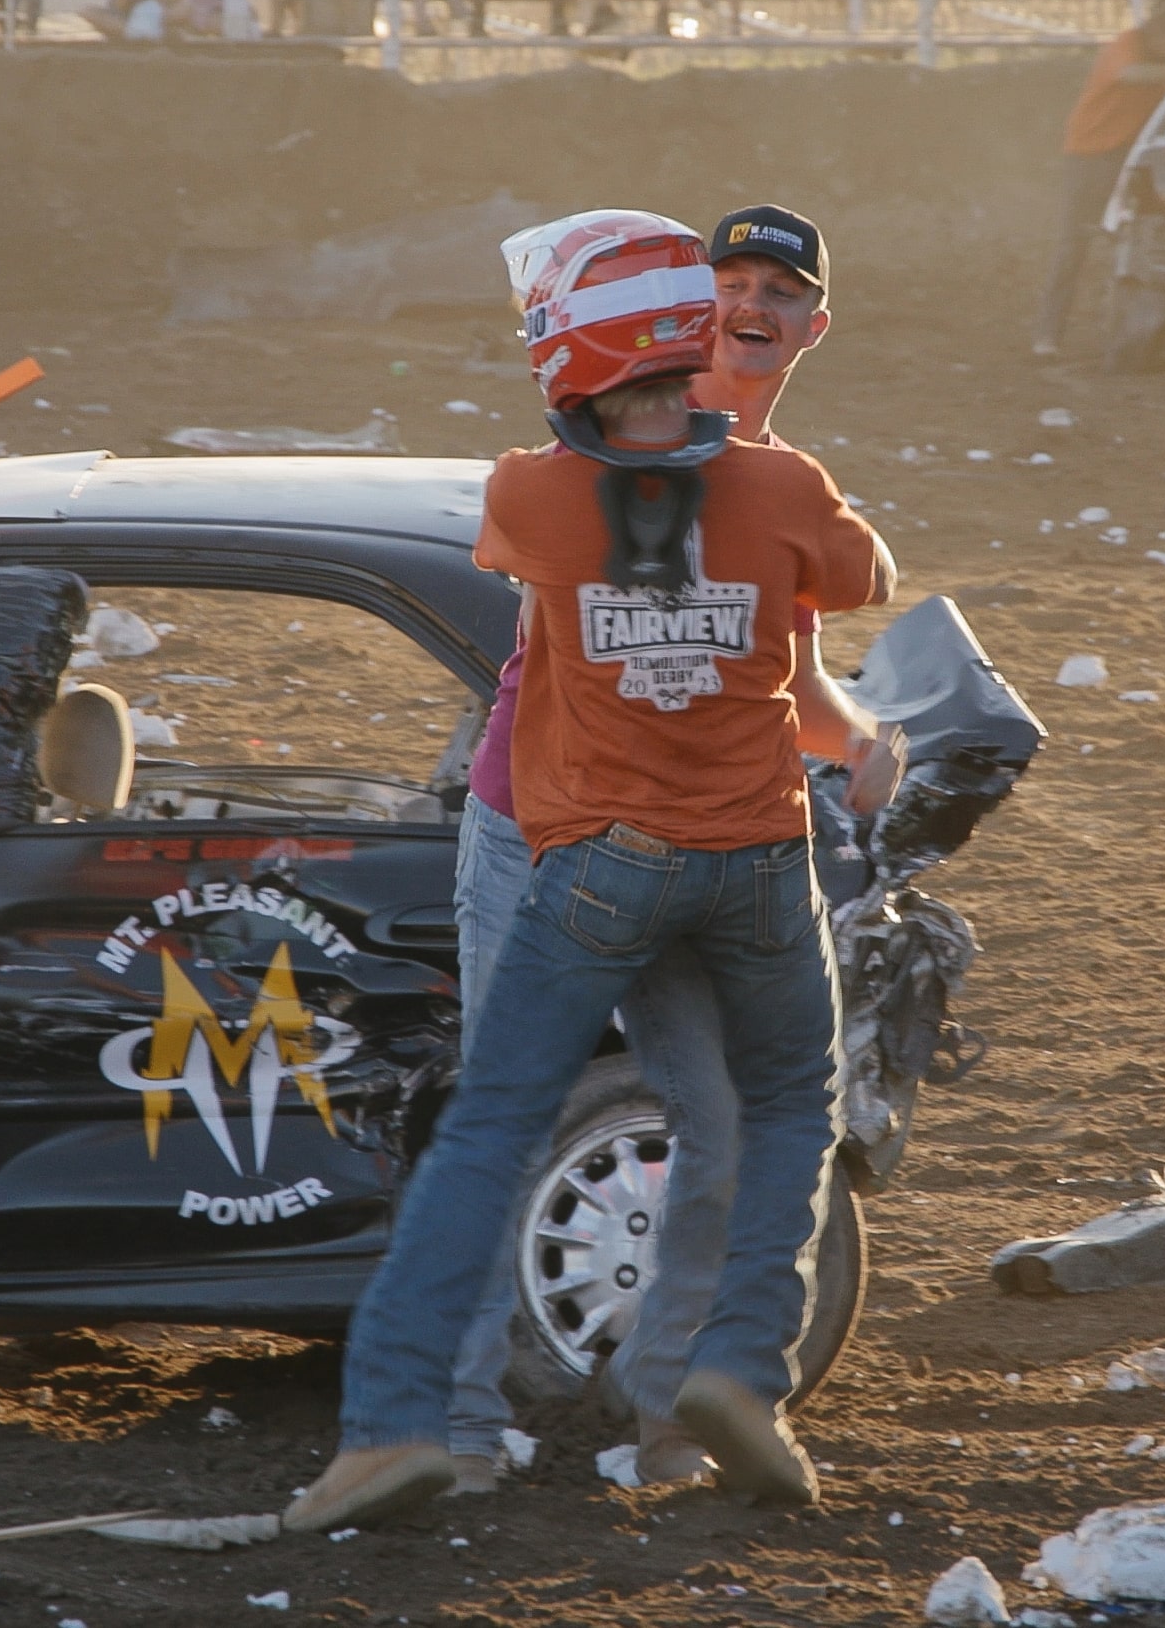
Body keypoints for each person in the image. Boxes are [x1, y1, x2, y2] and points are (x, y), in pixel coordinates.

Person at [282, 208, 891, 1531]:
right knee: (649, 1107)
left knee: (697, 1121)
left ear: (808, 325)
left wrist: (853, 739)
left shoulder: (731, 469)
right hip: (543, 823)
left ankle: (673, 1412)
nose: (751, 304)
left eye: (778, 289)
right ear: (691, 305)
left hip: (652, 845)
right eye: (730, 281)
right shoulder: (754, 479)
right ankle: (460, 1420)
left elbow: (773, 670)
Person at [1029, 2, 1165, 356]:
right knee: (1075, 243)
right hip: (1090, 153)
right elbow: (1128, 75)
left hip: (1131, 155)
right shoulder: (1126, 45)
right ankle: (1047, 333)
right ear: (1157, 36)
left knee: (1151, 236)